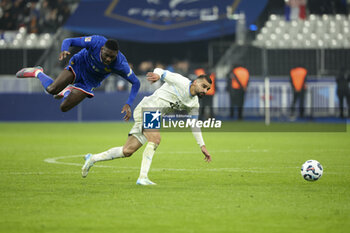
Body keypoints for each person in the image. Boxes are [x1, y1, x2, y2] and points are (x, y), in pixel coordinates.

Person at [81, 68, 212, 185]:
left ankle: (92, 158)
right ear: (195, 82)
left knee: (127, 151)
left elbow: (194, 125)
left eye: (207, 89)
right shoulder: (181, 81)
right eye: (204, 86)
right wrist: (157, 75)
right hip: (148, 108)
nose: (205, 91)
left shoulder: (194, 103)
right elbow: (161, 70)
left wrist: (202, 146)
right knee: (155, 139)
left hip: (153, 116)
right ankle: (142, 177)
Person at [16, 35, 140, 120]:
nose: (108, 59)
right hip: (79, 66)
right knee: (51, 89)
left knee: (63, 108)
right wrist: (64, 50)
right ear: (102, 49)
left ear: (116, 54)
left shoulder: (121, 64)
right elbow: (69, 41)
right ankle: (38, 72)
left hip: (89, 82)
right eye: (106, 55)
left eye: (111, 57)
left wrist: (129, 103)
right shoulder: (96, 41)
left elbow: (136, 83)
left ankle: (66, 91)